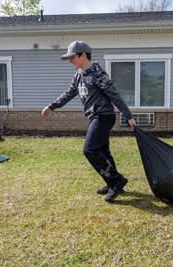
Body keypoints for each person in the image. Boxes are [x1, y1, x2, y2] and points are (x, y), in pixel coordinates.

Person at [42, 40, 137, 202]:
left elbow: (115, 96)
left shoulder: (98, 75)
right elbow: (68, 93)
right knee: (104, 152)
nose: (70, 61)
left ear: (83, 55)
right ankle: (112, 182)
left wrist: (128, 116)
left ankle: (116, 181)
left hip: (104, 116)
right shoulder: (79, 75)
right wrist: (52, 106)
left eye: (72, 57)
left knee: (90, 149)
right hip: (95, 117)